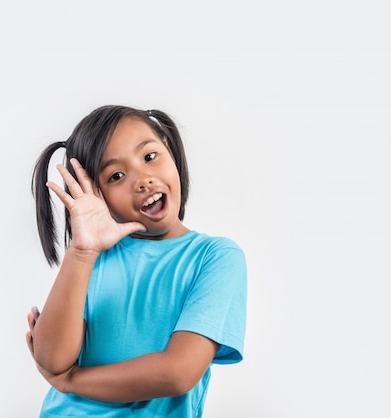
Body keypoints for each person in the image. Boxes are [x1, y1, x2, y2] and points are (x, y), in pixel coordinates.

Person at [25, 105, 247, 417]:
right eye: (116, 176)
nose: (142, 180)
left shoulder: (215, 257)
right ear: (97, 195)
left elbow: (177, 373)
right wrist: (82, 252)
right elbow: (51, 359)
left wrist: (72, 381)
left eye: (149, 156)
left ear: (169, 150)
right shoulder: (91, 258)